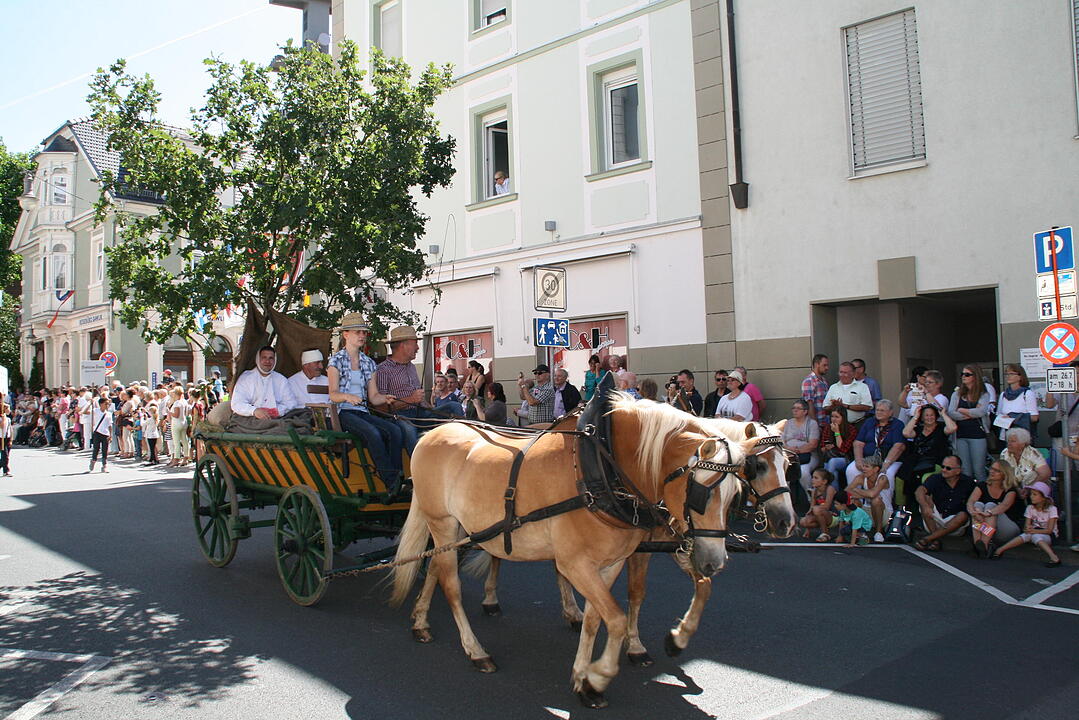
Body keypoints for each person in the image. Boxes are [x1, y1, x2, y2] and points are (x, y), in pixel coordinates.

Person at [328, 313, 405, 492]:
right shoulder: (336, 361)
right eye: (358, 332)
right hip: (342, 413)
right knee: (373, 433)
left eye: (364, 332)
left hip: (361, 411)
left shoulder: (368, 363)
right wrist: (347, 397)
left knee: (395, 430)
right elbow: (332, 394)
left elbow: (373, 397)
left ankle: (398, 477)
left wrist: (385, 398)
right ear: (345, 334)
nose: (362, 335)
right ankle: (391, 482)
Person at [377, 326, 436, 453]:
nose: (418, 348)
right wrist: (410, 399)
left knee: (453, 408)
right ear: (403, 345)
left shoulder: (412, 367)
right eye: (415, 343)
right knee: (409, 429)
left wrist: (429, 406)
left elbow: (420, 400)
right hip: (399, 416)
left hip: (420, 413)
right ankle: (418, 468)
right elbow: (380, 408)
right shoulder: (383, 370)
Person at [897, 404, 957, 503]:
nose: (929, 417)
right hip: (917, 461)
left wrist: (944, 414)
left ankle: (924, 505)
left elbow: (953, 428)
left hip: (935, 462)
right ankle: (901, 507)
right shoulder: (918, 429)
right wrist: (916, 416)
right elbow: (906, 433)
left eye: (932, 415)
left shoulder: (941, 428)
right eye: (926, 415)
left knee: (925, 478)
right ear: (922, 417)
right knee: (900, 477)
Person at [992, 481, 1061, 567]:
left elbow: (1049, 530)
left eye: (1035, 494)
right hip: (1034, 531)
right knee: (1026, 535)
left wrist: (1033, 530)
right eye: (1031, 494)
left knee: (1035, 536)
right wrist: (1028, 528)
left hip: (1050, 535)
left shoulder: (1052, 509)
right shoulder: (1030, 508)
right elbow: (1026, 525)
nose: (1031, 496)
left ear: (1043, 498)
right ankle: (1000, 550)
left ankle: (1054, 558)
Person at [913, 456, 975, 551]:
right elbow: (919, 491)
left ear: (958, 471)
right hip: (935, 520)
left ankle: (929, 539)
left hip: (956, 524)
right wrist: (925, 506)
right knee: (924, 499)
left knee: (963, 515)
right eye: (943, 467)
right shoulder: (935, 478)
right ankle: (935, 539)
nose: (944, 470)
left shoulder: (968, 482)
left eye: (948, 468)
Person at [967, 461, 1023, 557]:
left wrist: (988, 513)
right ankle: (979, 545)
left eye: (997, 470)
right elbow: (971, 501)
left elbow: (1004, 506)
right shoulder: (982, 485)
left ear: (1005, 474)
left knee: (990, 505)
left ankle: (983, 544)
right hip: (988, 529)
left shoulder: (1010, 490)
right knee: (977, 505)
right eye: (991, 468)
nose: (992, 472)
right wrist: (974, 513)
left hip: (1007, 529)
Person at [231, 346, 303, 419]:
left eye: (271, 358)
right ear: (258, 359)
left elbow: (291, 403)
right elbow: (237, 404)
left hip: (276, 419)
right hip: (250, 418)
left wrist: (276, 411)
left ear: (275, 360)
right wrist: (254, 411)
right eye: (264, 357)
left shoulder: (281, 380)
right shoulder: (246, 378)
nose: (267, 361)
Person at [948, 364, 991, 483]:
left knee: (979, 470)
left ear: (975, 376)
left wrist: (962, 410)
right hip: (961, 435)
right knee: (965, 470)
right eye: (962, 374)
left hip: (978, 434)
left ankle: (982, 495)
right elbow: (951, 412)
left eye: (967, 374)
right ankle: (967, 496)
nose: (964, 376)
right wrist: (970, 414)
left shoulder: (983, 394)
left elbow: (981, 412)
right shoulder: (957, 394)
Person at [847, 399, 905, 487]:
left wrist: (886, 464)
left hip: (889, 460)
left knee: (886, 474)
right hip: (868, 460)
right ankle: (855, 499)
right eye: (877, 410)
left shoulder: (898, 424)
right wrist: (859, 461)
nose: (879, 412)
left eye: (882, 410)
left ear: (890, 412)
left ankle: (884, 500)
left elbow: (898, 446)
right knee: (851, 470)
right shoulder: (869, 422)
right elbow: (858, 443)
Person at [846, 453, 892, 542]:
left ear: (876, 469)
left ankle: (879, 532)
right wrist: (857, 494)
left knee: (876, 500)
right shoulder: (860, 477)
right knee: (854, 501)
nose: (863, 469)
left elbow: (872, 494)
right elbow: (847, 491)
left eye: (866, 466)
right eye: (863, 466)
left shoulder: (882, 478)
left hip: (884, 514)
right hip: (868, 511)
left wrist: (857, 491)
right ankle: (859, 532)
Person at [783, 399, 820, 499]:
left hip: (807, 456)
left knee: (803, 472)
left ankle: (810, 498)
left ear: (805, 411)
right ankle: (787, 499)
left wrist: (797, 451)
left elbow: (813, 444)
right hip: (789, 456)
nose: (795, 410)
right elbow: (782, 442)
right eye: (794, 408)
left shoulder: (812, 424)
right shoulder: (788, 423)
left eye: (798, 408)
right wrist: (789, 449)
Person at [996, 364, 1039, 440]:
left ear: (1020, 376)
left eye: (1012, 374)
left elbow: (1034, 417)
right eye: (1007, 374)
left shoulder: (1027, 393)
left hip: (1022, 435)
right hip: (1006, 434)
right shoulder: (1003, 394)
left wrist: (1012, 417)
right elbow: (999, 414)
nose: (1008, 376)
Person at [822, 361, 873, 426]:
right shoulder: (833, 387)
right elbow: (825, 408)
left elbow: (867, 407)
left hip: (856, 425)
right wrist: (834, 406)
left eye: (845, 372)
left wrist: (845, 406)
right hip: (837, 426)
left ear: (853, 374)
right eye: (841, 372)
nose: (842, 375)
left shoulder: (862, 387)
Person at [819, 408, 858, 483]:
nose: (834, 419)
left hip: (846, 458)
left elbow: (843, 449)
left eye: (837, 417)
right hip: (830, 456)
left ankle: (827, 488)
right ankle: (833, 491)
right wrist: (827, 448)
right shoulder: (828, 427)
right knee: (830, 467)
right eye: (832, 416)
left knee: (832, 462)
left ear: (843, 418)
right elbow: (822, 448)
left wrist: (837, 432)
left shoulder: (851, 429)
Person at [799, 468, 836, 541]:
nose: (812, 480)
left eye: (816, 478)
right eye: (812, 477)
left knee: (816, 509)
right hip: (820, 513)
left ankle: (825, 533)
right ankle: (823, 527)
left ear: (824, 481)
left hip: (833, 516)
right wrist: (807, 529)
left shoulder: (830, 489)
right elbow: (811, 508)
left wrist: (814, 509)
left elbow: (827, 506)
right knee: (803, 521)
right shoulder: (814, 491)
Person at [88, 397, 113, 473]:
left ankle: (104, 465)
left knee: (105, 450)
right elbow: (85, 411)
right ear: (101, 404)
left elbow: (110, 425)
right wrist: (90, 404)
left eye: (108, 404)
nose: (107, 405)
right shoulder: (95, 411)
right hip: (97, 432)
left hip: (105, 433)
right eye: (106, 404)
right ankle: (93, 460)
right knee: (96, 448)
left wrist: (110, 435)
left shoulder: (108, 413)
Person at [168, 387, 191, 466]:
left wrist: (169, 412)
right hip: (184, 422)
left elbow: (176, 415)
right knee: (185, 441)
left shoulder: (177, 403)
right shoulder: (184, 401)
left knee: (176, 442)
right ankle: (186, 457)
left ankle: (176, 459)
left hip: (176, 423)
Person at [0, 402, 12, 476]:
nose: (9, 410)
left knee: (6, 456)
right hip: (1, 438)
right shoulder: (2, 419)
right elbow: (2, 426)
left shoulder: (8, 419)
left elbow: (10, 429)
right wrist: (3, 417)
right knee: (5, 455)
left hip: (7, 438)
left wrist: (11, 439)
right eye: (7, 408)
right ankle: (6, 471)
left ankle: (4, 467)